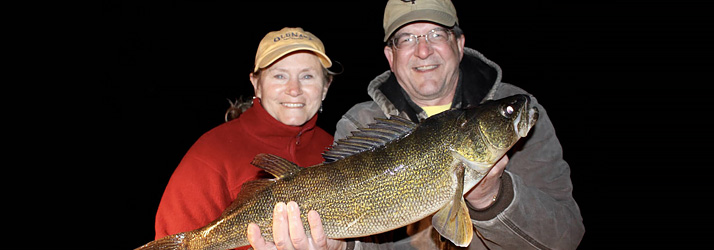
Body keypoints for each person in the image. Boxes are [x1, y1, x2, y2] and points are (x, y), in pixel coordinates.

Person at [251, 0, 585, 249]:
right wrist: (341, 245)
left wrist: (492, 196)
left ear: (459, 43)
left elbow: (566, 238)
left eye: (435, 34)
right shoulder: (361, 123)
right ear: (390, 56)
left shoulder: (522, 111)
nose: (423, 50)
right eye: (406, 39)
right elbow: (362, 238)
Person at [153, 27, 338, 250]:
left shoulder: (337, 150)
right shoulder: (210, 155)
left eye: (307, 76)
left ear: (325, 87)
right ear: (256, 84)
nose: (294, 89)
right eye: (280, 75)